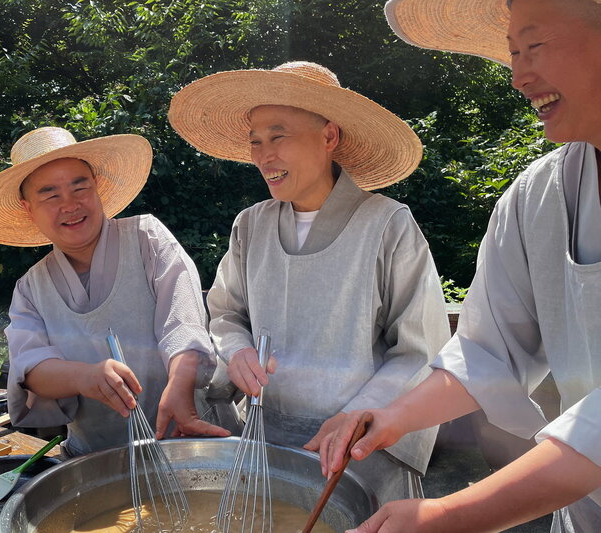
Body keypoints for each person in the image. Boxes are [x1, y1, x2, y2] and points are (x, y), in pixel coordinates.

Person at [316, 1, 601, 531]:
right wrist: (392, 417)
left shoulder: (388, 222)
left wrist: (449, 514)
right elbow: (486, 347)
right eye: (513, 52)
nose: (518, 75)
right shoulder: (537, 195)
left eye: (535, 47)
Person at [168, 61, 452, 505]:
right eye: (256, 142)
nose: (264, 156)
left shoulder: (387, 224)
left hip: (362, 444)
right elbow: (225, 312)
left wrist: (361, 414)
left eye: (278, 136)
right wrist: (237, 348)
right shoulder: (250, 225)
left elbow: (420, 349)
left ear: (329, 136)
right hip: (266, 438)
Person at [0, 126, 229, 457]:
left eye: (79, 186)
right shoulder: (31, 288)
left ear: (96, 188)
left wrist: (181, 384)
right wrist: (86, 377)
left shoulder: (148, 238)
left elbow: (182, 321)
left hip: (186, 440)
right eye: (50, 194)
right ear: (29, 208)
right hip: (94, 457)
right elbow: (31, 367)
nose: (69, 205)